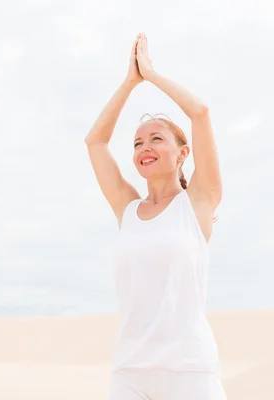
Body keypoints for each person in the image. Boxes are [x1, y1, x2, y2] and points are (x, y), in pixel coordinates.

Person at [84, 32, 227, 400]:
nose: (144, 147)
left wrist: (151, 74)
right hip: (130, 373)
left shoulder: (198, 202)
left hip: (189, 372)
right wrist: (129, 83)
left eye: (156, 139)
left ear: (183, 154)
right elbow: (95, 142)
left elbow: (200, 112)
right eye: (137, 143)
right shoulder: (127, 209)